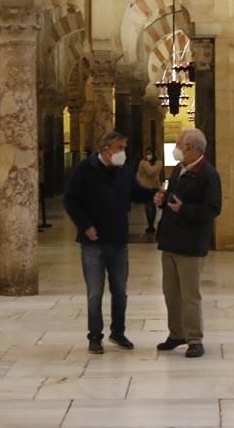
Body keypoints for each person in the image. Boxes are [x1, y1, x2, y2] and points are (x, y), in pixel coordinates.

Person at [64, 130, 161, 354]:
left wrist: (154, 194)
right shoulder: (84, 170)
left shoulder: (123, 172)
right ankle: (95, 336)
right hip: (93, 243)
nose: (123, 153)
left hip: (118, 241)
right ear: (105, 149)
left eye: (124, 148)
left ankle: (118, 332)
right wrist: (85, 225)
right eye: (119, 148)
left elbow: (136, 193)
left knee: (120, 291)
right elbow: (71, 201)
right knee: (95, 292)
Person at [153, 128, 222, 358]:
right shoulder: (179, 170)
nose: (177, 148)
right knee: (170, 292)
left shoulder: (208, 174)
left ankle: (194, 338)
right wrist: (162, 200)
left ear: (191, 148)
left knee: (190, 294)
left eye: (180, 144)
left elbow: (213, 208)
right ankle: (176, 334)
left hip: (191, 244)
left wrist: (184, 210)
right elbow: (172, 198)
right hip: (170, 240)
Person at [136, 148, 164, 233]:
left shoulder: (157, 163)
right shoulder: (143, 162)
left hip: (154, 187)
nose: (148, 155)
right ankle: (150, 225)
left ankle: (152, 224)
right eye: (147, 153)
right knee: (147, 206)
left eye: (150, 153)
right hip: (146, 187)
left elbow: (150, 172)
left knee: (153, 206)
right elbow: (141, 173)